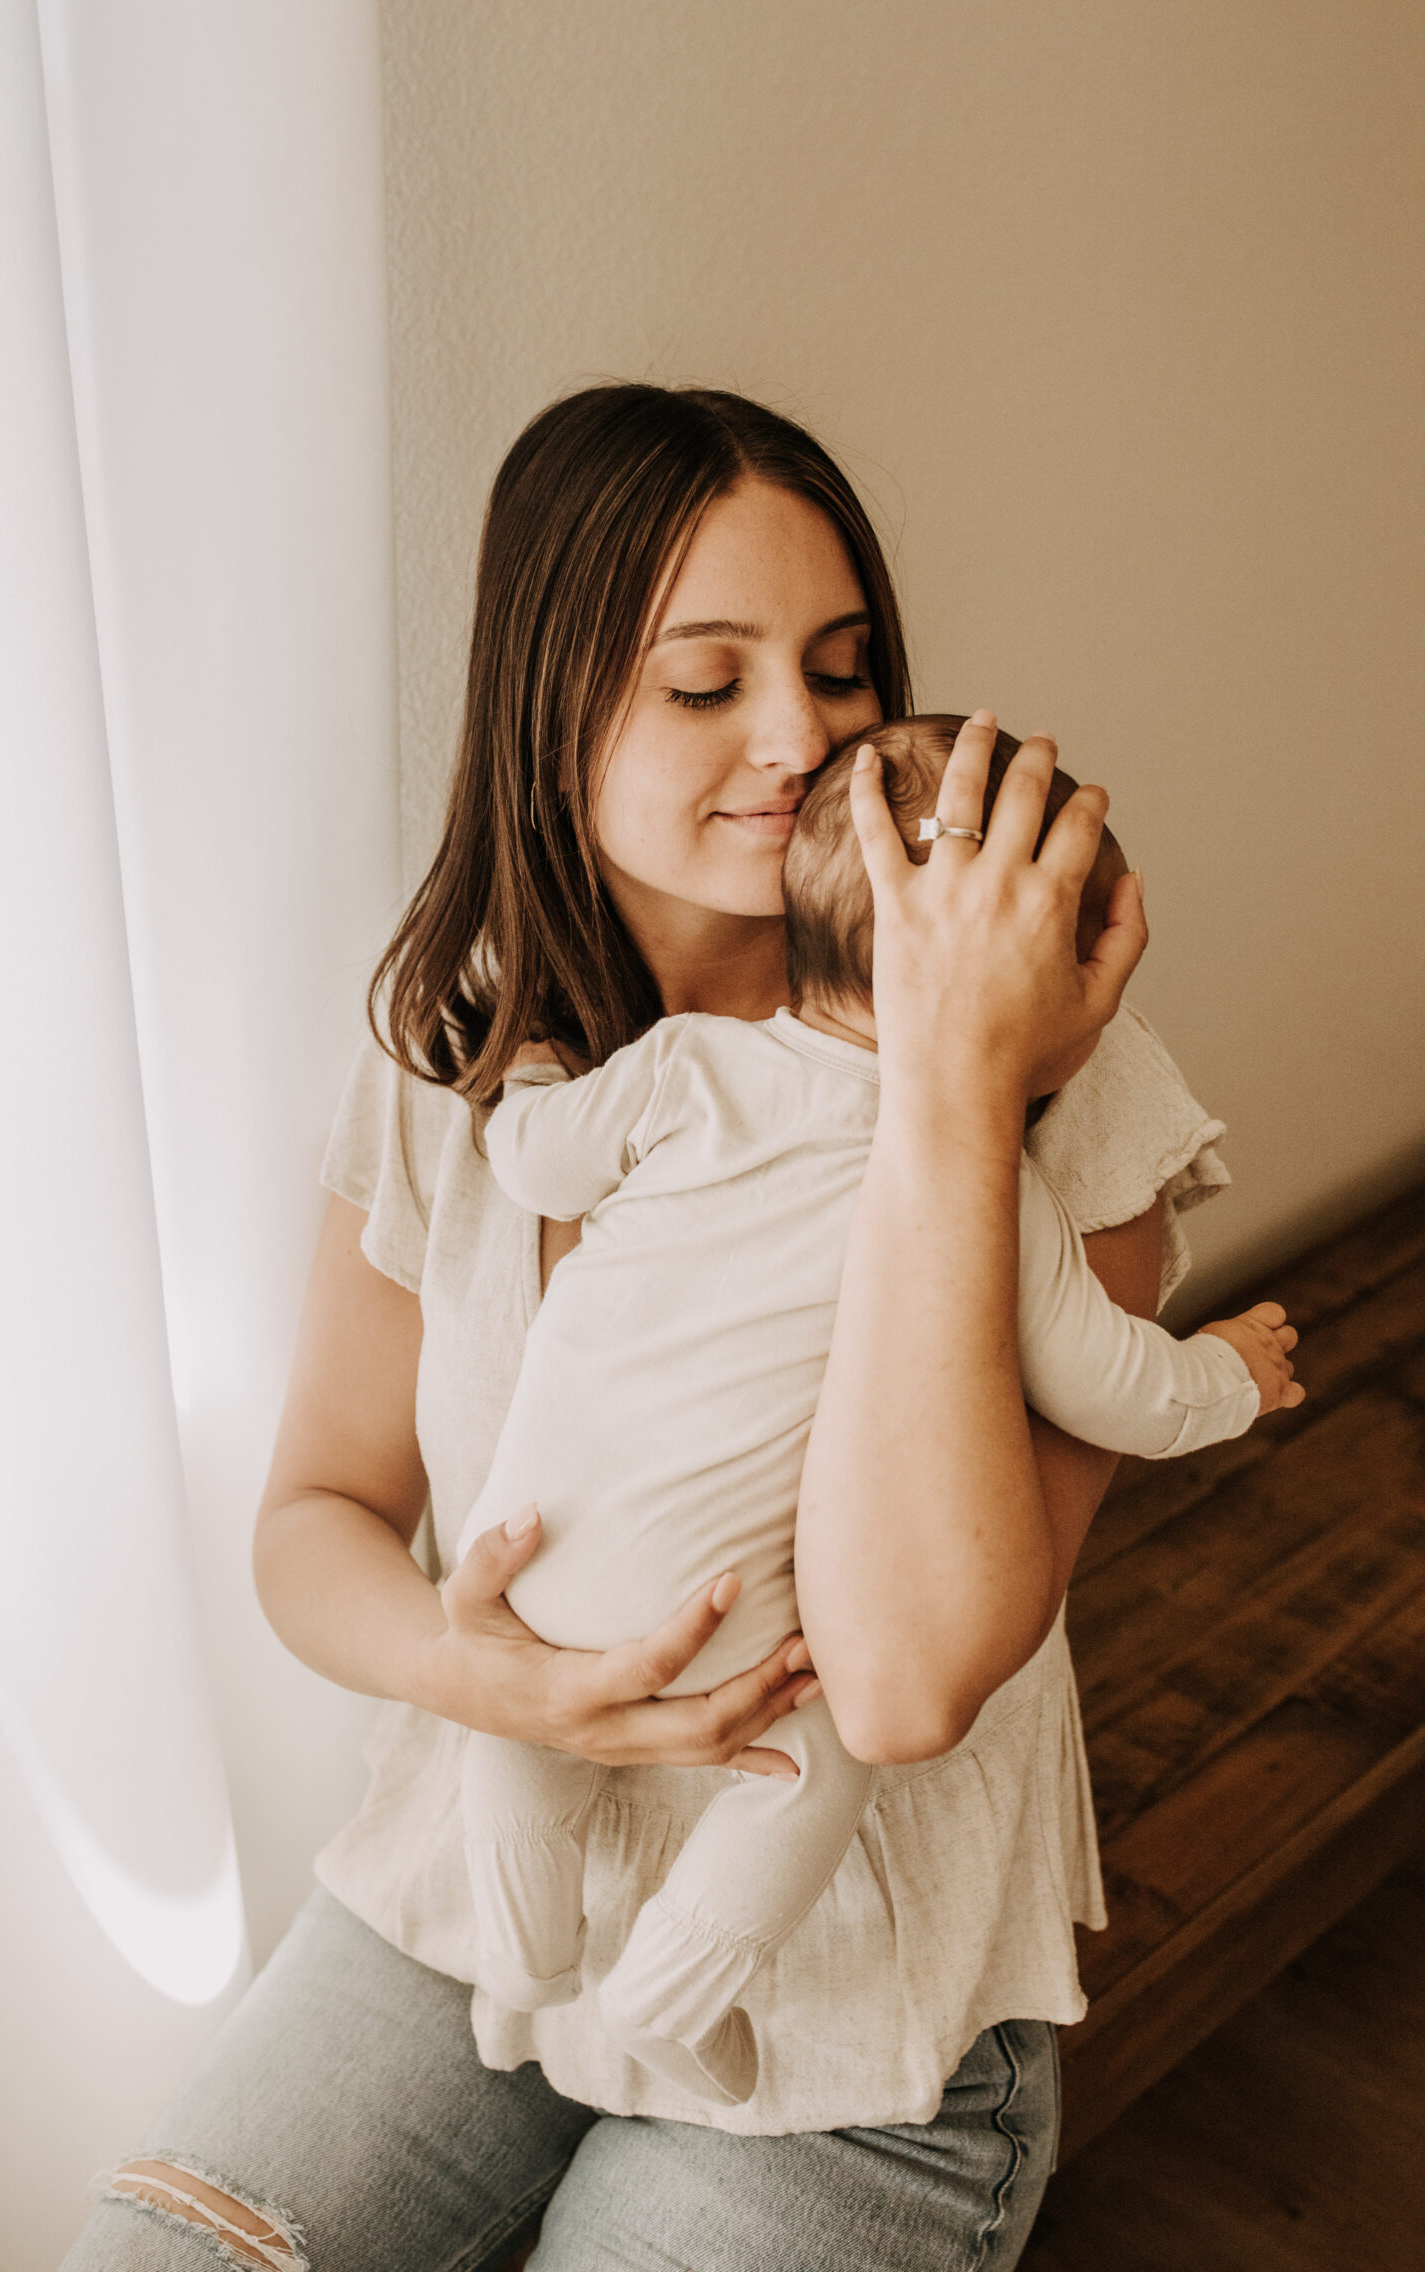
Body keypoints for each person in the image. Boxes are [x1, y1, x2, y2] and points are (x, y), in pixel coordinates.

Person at [62, 385, 1242, 2272]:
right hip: (473, 1891)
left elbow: (905, 1676)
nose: (802, 739)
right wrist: (488, 1687)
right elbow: (318, 1522)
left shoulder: (1051, 1087)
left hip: (852, 2009)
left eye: (844, 674)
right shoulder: (459, 1054)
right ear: (552, 712)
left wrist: (945, 1087)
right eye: (708, 684)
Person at [456, 713, 1300, 2109]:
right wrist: (1231, 1375)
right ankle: (672, 1993)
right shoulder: (984, 1201)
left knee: (518, 1719)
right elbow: (1112, 1384)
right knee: (817, 1748)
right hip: (732, 1617)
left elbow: (537, 1159)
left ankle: (527, 1950)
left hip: (533, 1559)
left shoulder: (689, 1066)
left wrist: (538, 1073)